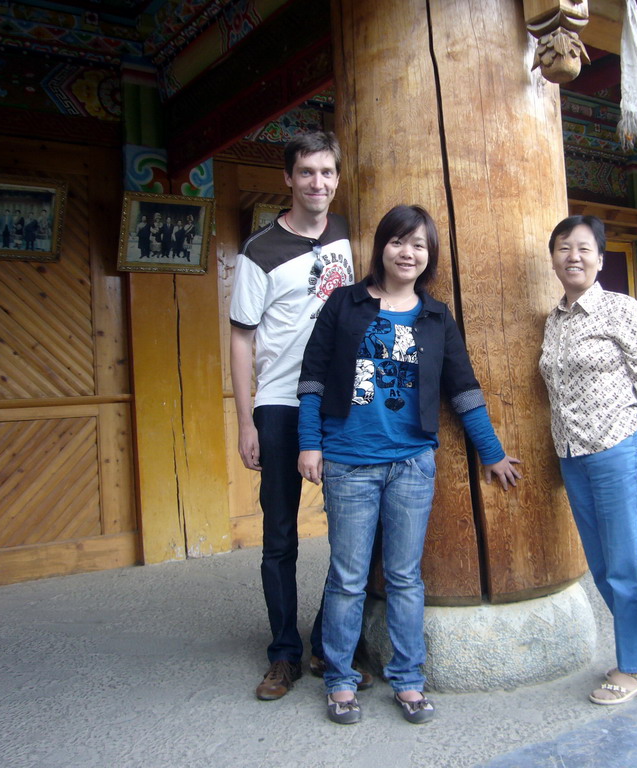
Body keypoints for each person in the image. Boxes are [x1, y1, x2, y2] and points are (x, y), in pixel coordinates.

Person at [297, 204, 522, 726]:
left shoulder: (436, 317)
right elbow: (311, 377)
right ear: (381, 246)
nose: (408, 252)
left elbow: (463, 390)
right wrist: (311, 444)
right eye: (399, 241)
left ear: (430, 256)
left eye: (419, 245)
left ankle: (409, 679)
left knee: (404, 576)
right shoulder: (345, 304)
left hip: (412, 465)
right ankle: (340, 679)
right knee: (349, 576)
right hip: (349, 461)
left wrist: (490, 451)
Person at [229, 131, 362, 703]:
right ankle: (283, 652)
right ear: (288, 179)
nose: (318, 183)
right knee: (279, 534)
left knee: (353, 533)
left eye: (327, 173)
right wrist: (245, 420)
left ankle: (329, 642)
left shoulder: (351, 236)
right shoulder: (258, 252)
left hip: (342, 403)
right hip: (280, 404)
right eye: (306, 173)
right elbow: (240, 339)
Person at [539, 215, 637, 706]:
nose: (572, 257)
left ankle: (635, 667)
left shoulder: (621, 309)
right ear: (553, 257)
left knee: (623, 564)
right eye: (562, 248)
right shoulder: (553, 318)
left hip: (619, 449)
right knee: (600, 565)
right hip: (572, 453)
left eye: (583, 248)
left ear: (599, 257)